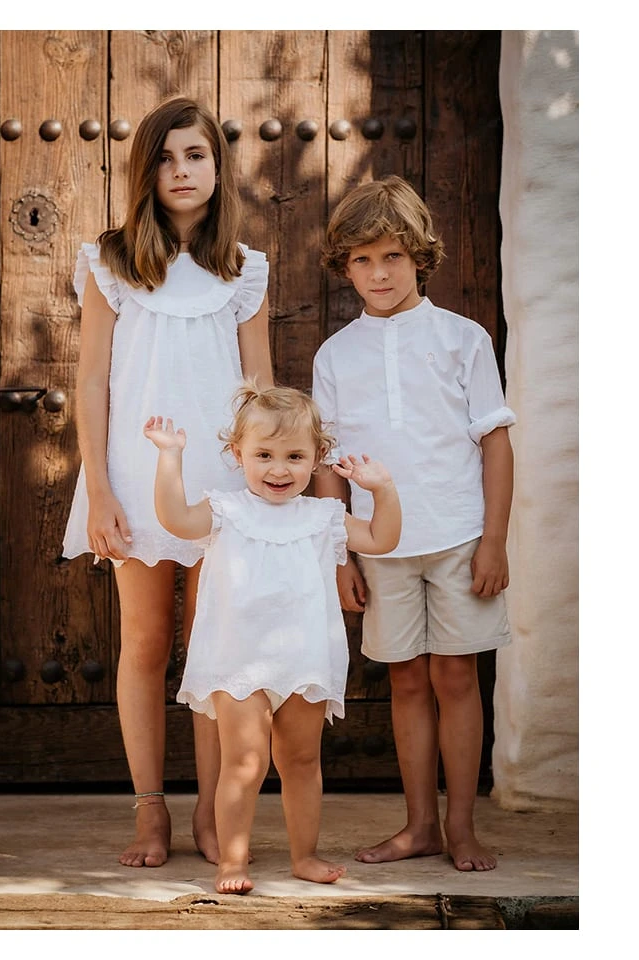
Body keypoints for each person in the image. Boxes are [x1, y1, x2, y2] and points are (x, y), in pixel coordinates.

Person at [62, 95, 273, 869]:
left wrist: (263, 491)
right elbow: (91, 381)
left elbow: (260, 389)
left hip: (223, 485)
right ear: (144, 172)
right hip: (135, 475)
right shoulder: (110, 262)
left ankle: (214, 813)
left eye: (196, 155)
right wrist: (100, 490)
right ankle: (150, 808)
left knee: (213, 645)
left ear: (218, 166)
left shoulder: (244, 270)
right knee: (146, 641)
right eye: (165, 158)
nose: (181, 170)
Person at [312, 175, 516, 872]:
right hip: (378, 543)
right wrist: (340, 554)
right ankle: (420, 825)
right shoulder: (335, 355)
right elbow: (329, 465)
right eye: (363, 260)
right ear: (345, 267)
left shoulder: (463, 339)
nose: (379, 273)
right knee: (404, 680)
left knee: (456, 678)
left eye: (392, 256)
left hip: (459, 537)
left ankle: (461, 826)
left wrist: (494, 541)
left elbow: (495, 443)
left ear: (420, 257)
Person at [143, 382, 402, 894]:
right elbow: (175, 519)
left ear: (317, 458)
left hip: (304, 660)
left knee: (301, 761)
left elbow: (382, 538)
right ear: (237, 453)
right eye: (264, 455)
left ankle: (304, 855)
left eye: (294, 456)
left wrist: (384, 489)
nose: (279, 469)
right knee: (245, 762)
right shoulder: (225, 509)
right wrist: (170, 457)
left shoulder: (323, 516)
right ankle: (231, 860)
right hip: (239, 660)